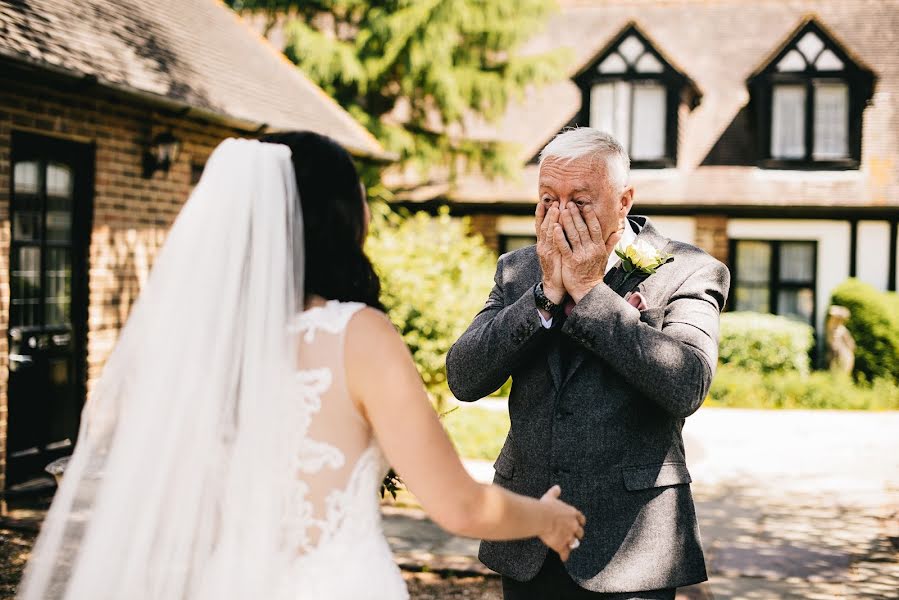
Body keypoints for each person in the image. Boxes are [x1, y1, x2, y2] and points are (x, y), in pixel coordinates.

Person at [16, 132, 585, 600]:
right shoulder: (354, 335)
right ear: (336, 216)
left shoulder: (211, 351)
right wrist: (547, 520)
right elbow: (459, 503)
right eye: (359, 193)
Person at [446, 128, 730, 600]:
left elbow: (687, 385)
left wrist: (592, 295)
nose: (561, 215)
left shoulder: (689, 269)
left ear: (624, 200)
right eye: (548, 199)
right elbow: (464, 377)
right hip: (527, 538)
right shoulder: (518, 270)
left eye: (580, 200)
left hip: (631, 545)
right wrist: (544, 296)